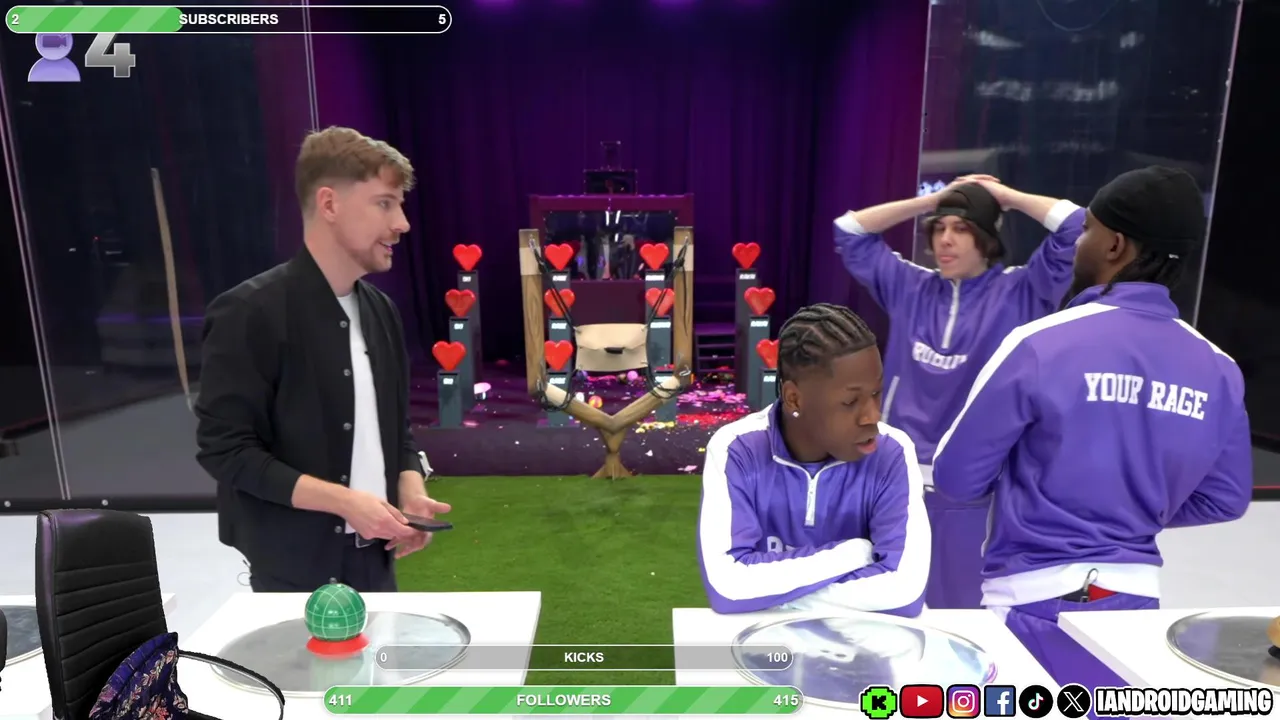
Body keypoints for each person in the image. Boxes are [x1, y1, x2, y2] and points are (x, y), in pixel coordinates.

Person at [932, 167, 1253, 703]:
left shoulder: (1039, 343)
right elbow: (1225, 498)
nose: (1079, 243)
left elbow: (955, 477)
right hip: (1137, 615)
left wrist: (1058, 500)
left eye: (1087, 231)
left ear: (1115, 245)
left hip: (1029, 605)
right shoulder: (1219, 367)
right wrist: (1134, 506)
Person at [195, 126, 451, 592]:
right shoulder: (249, 312)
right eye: (384, 203)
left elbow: (396, 431)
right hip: (291, 570)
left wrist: (410, 487)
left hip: (377, 558)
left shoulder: (381, 311)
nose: (402, 224)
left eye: (399, 205)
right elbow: (226, 451)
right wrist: (345, 502)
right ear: (329, 204)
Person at [836, 176, 1085, 609]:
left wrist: (1005, 197)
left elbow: (1074, 225)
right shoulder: (910, 286)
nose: (945, 240)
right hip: (897, 476)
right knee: (886, 602)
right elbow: (849, 230)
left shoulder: (1023, 291)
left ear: (987, 239)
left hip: (975, 487)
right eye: (939, 228)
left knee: (959, 606)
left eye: (962, 228)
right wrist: (934, 200)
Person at [698, 304, 930, 616]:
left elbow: (904, 591)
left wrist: (774, 594)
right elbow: (728, 586)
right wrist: (853, 553)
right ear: (794, 398)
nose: (873, 416)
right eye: (850, 401)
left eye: (876, 393)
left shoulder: (892, 452)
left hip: (863, 644)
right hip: (764, 643)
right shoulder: (736, 449)